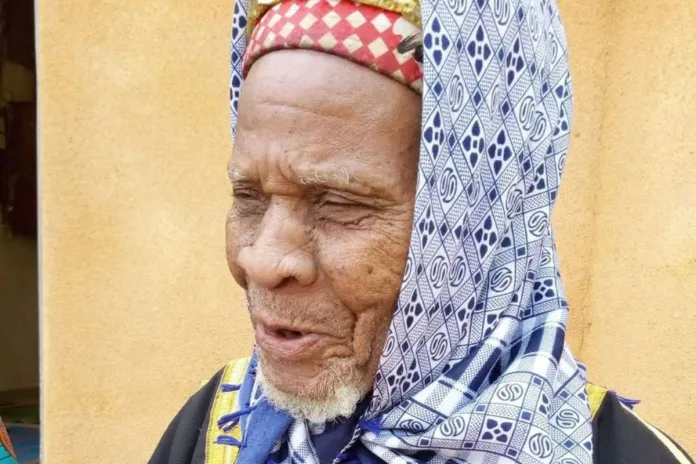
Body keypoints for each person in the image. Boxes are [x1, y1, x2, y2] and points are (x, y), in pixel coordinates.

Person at [150, 0, 694, 462]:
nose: (262, 261)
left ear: (478, 224)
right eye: (249, 196)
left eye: (339, 203)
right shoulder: (216, 428)